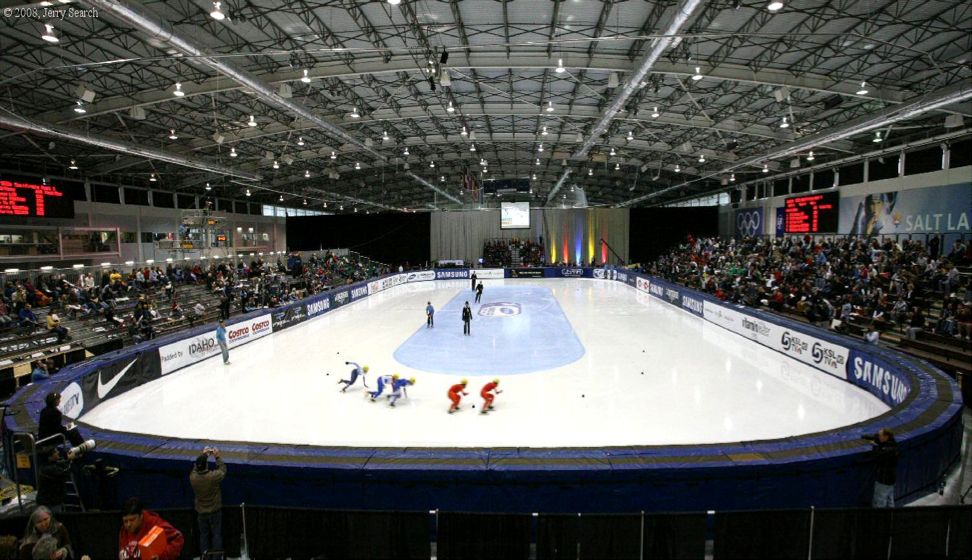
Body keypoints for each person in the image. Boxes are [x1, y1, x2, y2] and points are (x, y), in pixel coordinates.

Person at [118, 497, 184, 560]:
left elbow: (178, 537)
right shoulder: (124, 531)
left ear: (141, 516)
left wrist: (162, 556)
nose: (128, 524)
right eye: (125, 521)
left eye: (132, 520)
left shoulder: (154, 524)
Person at [189, 447, 226, 555]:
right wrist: (217, 457)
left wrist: (204, 455)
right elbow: (223, 470)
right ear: (206, 465)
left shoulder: (193, 478)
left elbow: (195, 468)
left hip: (201, 512)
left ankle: (204, 556)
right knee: (216, 535)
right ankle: (216, 557)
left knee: (203, 536)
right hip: (215, 511)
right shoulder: (213, 477)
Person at [19, 506, 83, 560]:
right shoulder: (29, 540)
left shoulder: (59, 528)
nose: (43, 524)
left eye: (45, 519)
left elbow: (68, 545)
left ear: (50, 517)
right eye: (39, 522)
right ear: (34, 524)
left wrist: (63, 551)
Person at [862, 428, 899, 507]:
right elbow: (877, 438)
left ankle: (880, 514)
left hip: (883, 479)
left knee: (879, 500)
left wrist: (875, 446)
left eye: (880, 435)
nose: (878, 436)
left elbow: (877, 456)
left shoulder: (888, 450)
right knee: (889, 498)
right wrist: (866, 437)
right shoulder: (891, 443)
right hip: (891, 479)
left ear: (885, 436)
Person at [35, 446, 75, 513]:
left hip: (50, 501)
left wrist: (68, 459)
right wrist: (71, 461)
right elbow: (65, 473)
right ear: (50, 457)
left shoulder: (47, 464)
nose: (58, 452)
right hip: (50, 503)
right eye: (56, 452)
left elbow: (61, 464)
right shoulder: (49, 469)